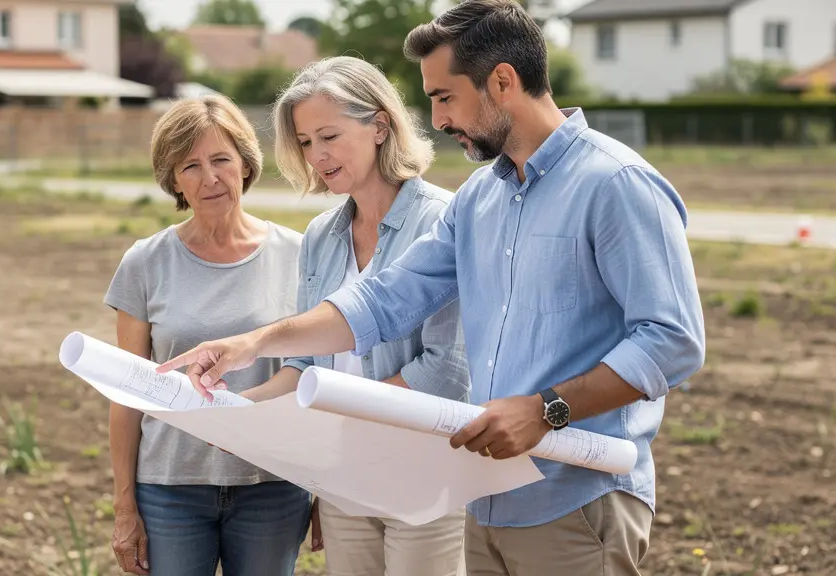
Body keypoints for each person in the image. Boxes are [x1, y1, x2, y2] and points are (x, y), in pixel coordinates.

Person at [156, 1, 707, 575]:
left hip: (576, 497)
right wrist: (251, 344)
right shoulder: (479, 199)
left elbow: (671, 341)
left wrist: (548, 410)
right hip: (487, 498)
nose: (438, 119)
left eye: (445, 97)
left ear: (501, 81)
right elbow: (385, 299)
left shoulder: (615, 184)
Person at [227, 55, 471, 576]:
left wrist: (343, 418)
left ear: (380, 125)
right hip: (345, 474)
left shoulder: (444, 220)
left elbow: (447, 369)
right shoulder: (320, 235)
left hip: (425, 473)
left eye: (329, 136)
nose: (317, 155)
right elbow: (305, 368)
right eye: (307, 142)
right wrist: (230, 410)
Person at [103, 94, 311, 576]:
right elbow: (126, 395)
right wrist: (124, 506)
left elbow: (313, 380)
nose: (210, 177)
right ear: (173, 179)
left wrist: (320, 487)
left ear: (245, 164)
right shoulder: (145, 262)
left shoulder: (298, 255)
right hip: (169, 490)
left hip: (273, 485)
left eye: (221, 159)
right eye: (190, 166)